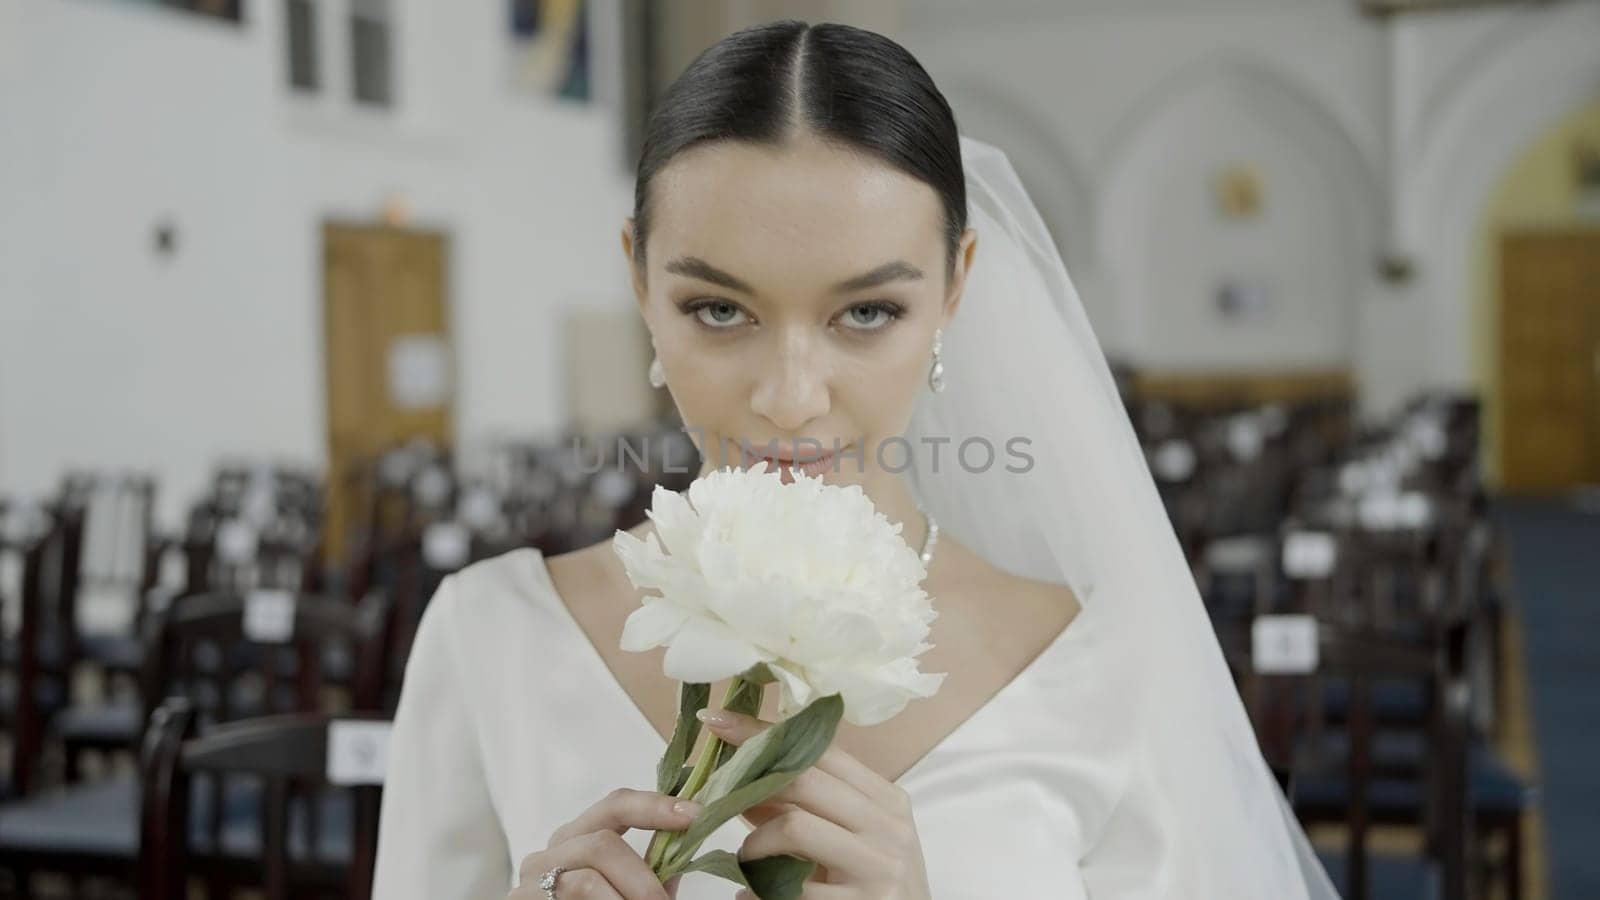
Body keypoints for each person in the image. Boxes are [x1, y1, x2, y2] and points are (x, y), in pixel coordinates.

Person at [372, 19, 1339, 900]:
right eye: (719, 309)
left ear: (956, 287)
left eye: (867, 313)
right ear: (638, 279)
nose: (791, 397)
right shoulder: (491, 638)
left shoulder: (1096, 665)